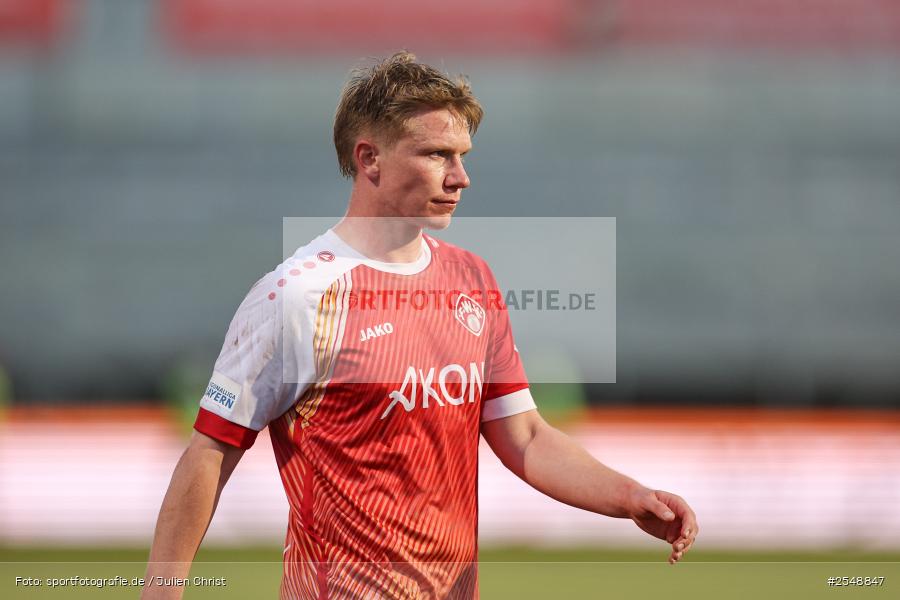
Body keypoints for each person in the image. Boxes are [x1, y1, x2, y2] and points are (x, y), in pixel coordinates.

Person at [142, 51, 698, 600]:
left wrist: (630, 497)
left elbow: (525, 437)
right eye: (437, 155)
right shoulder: (297, 296)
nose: (461, 177)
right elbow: (210, 451)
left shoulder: (471, 279)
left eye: (462, 156)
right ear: (370, 160)